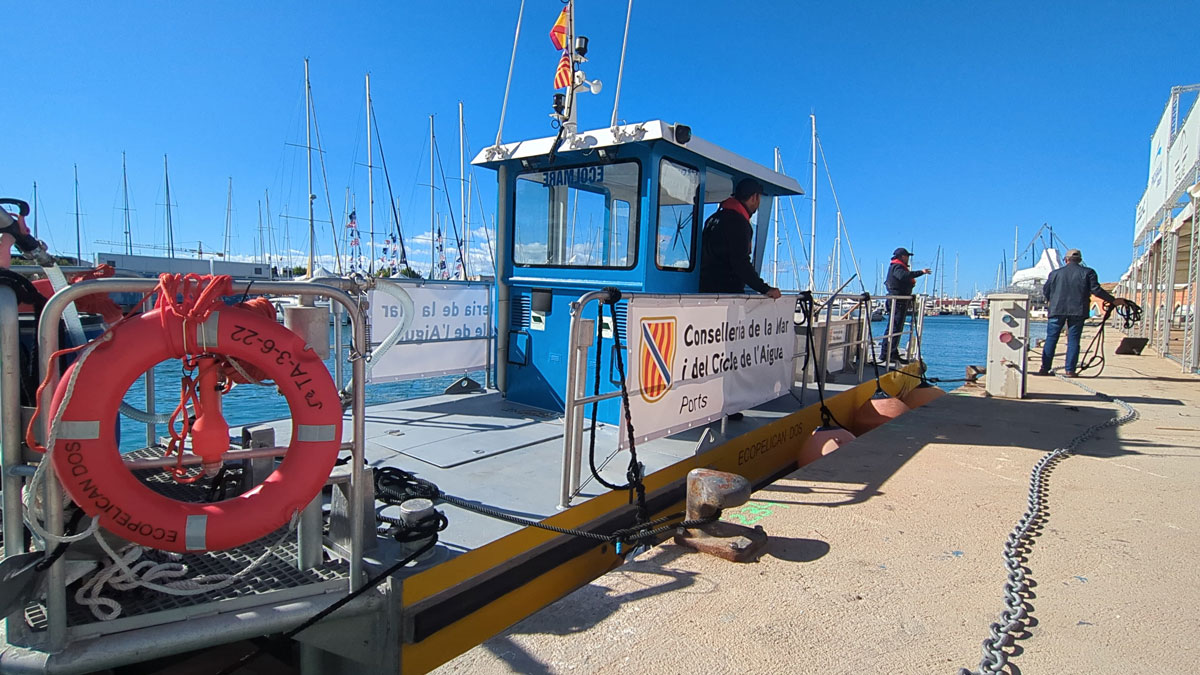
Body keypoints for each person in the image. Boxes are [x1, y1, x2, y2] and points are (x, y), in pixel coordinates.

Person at [1036, 248, 1125, 377]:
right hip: (1078, 310)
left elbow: (1046, 291)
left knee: (1051, 338)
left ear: (1066, 260)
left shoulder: (1054, 274)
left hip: (1057, 310)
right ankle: (1070, 370)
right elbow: (1096, 290)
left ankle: (1044, 368)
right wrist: (1113, 300)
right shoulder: (1088, 272)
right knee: (1073, 340)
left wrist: (1053, 301)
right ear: (1080, 260)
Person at [699, 178, 782, 299]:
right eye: (759, 199)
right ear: (754, 197)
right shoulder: (738, 223)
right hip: (724, 294)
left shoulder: (713, 218)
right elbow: (740, 262)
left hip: (703, 289)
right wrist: (765, 288)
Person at [881, 247, 931, 362]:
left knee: (895, 327)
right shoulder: (897, 267)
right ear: (902, 257)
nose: (908, 259)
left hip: (899, 301)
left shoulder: (896, 266)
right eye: (907, 256)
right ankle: (888, 353)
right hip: (897, 301)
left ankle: (890, 352)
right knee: (894, 327)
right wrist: (921, 272)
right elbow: (902, 276)